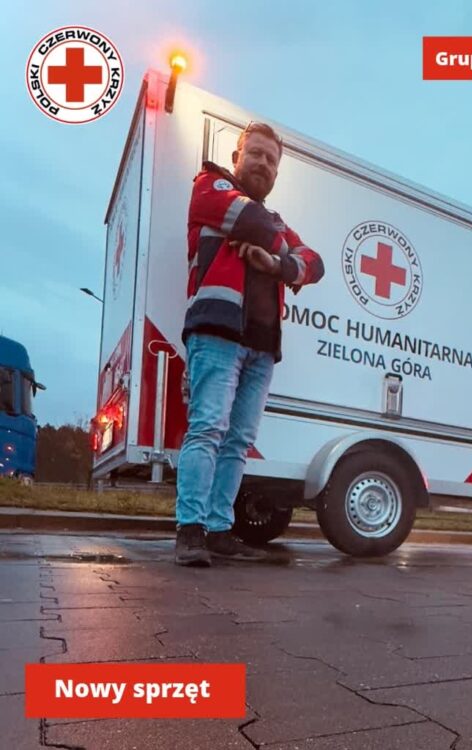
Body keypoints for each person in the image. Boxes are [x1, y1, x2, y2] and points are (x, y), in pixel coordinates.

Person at [175, 121, 324, 566]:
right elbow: (252, 221)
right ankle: (190, 531)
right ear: (237, 158)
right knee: (207, 429)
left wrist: (277, 264)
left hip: (263, 347)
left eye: (271, 160)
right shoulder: (210, 184)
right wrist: (282, 251)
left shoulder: (275, 221)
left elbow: (314, 264)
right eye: (255, 154)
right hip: (217, 332)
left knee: (238, 441)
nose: (263, 163)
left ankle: (219, 530)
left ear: (277, 172)